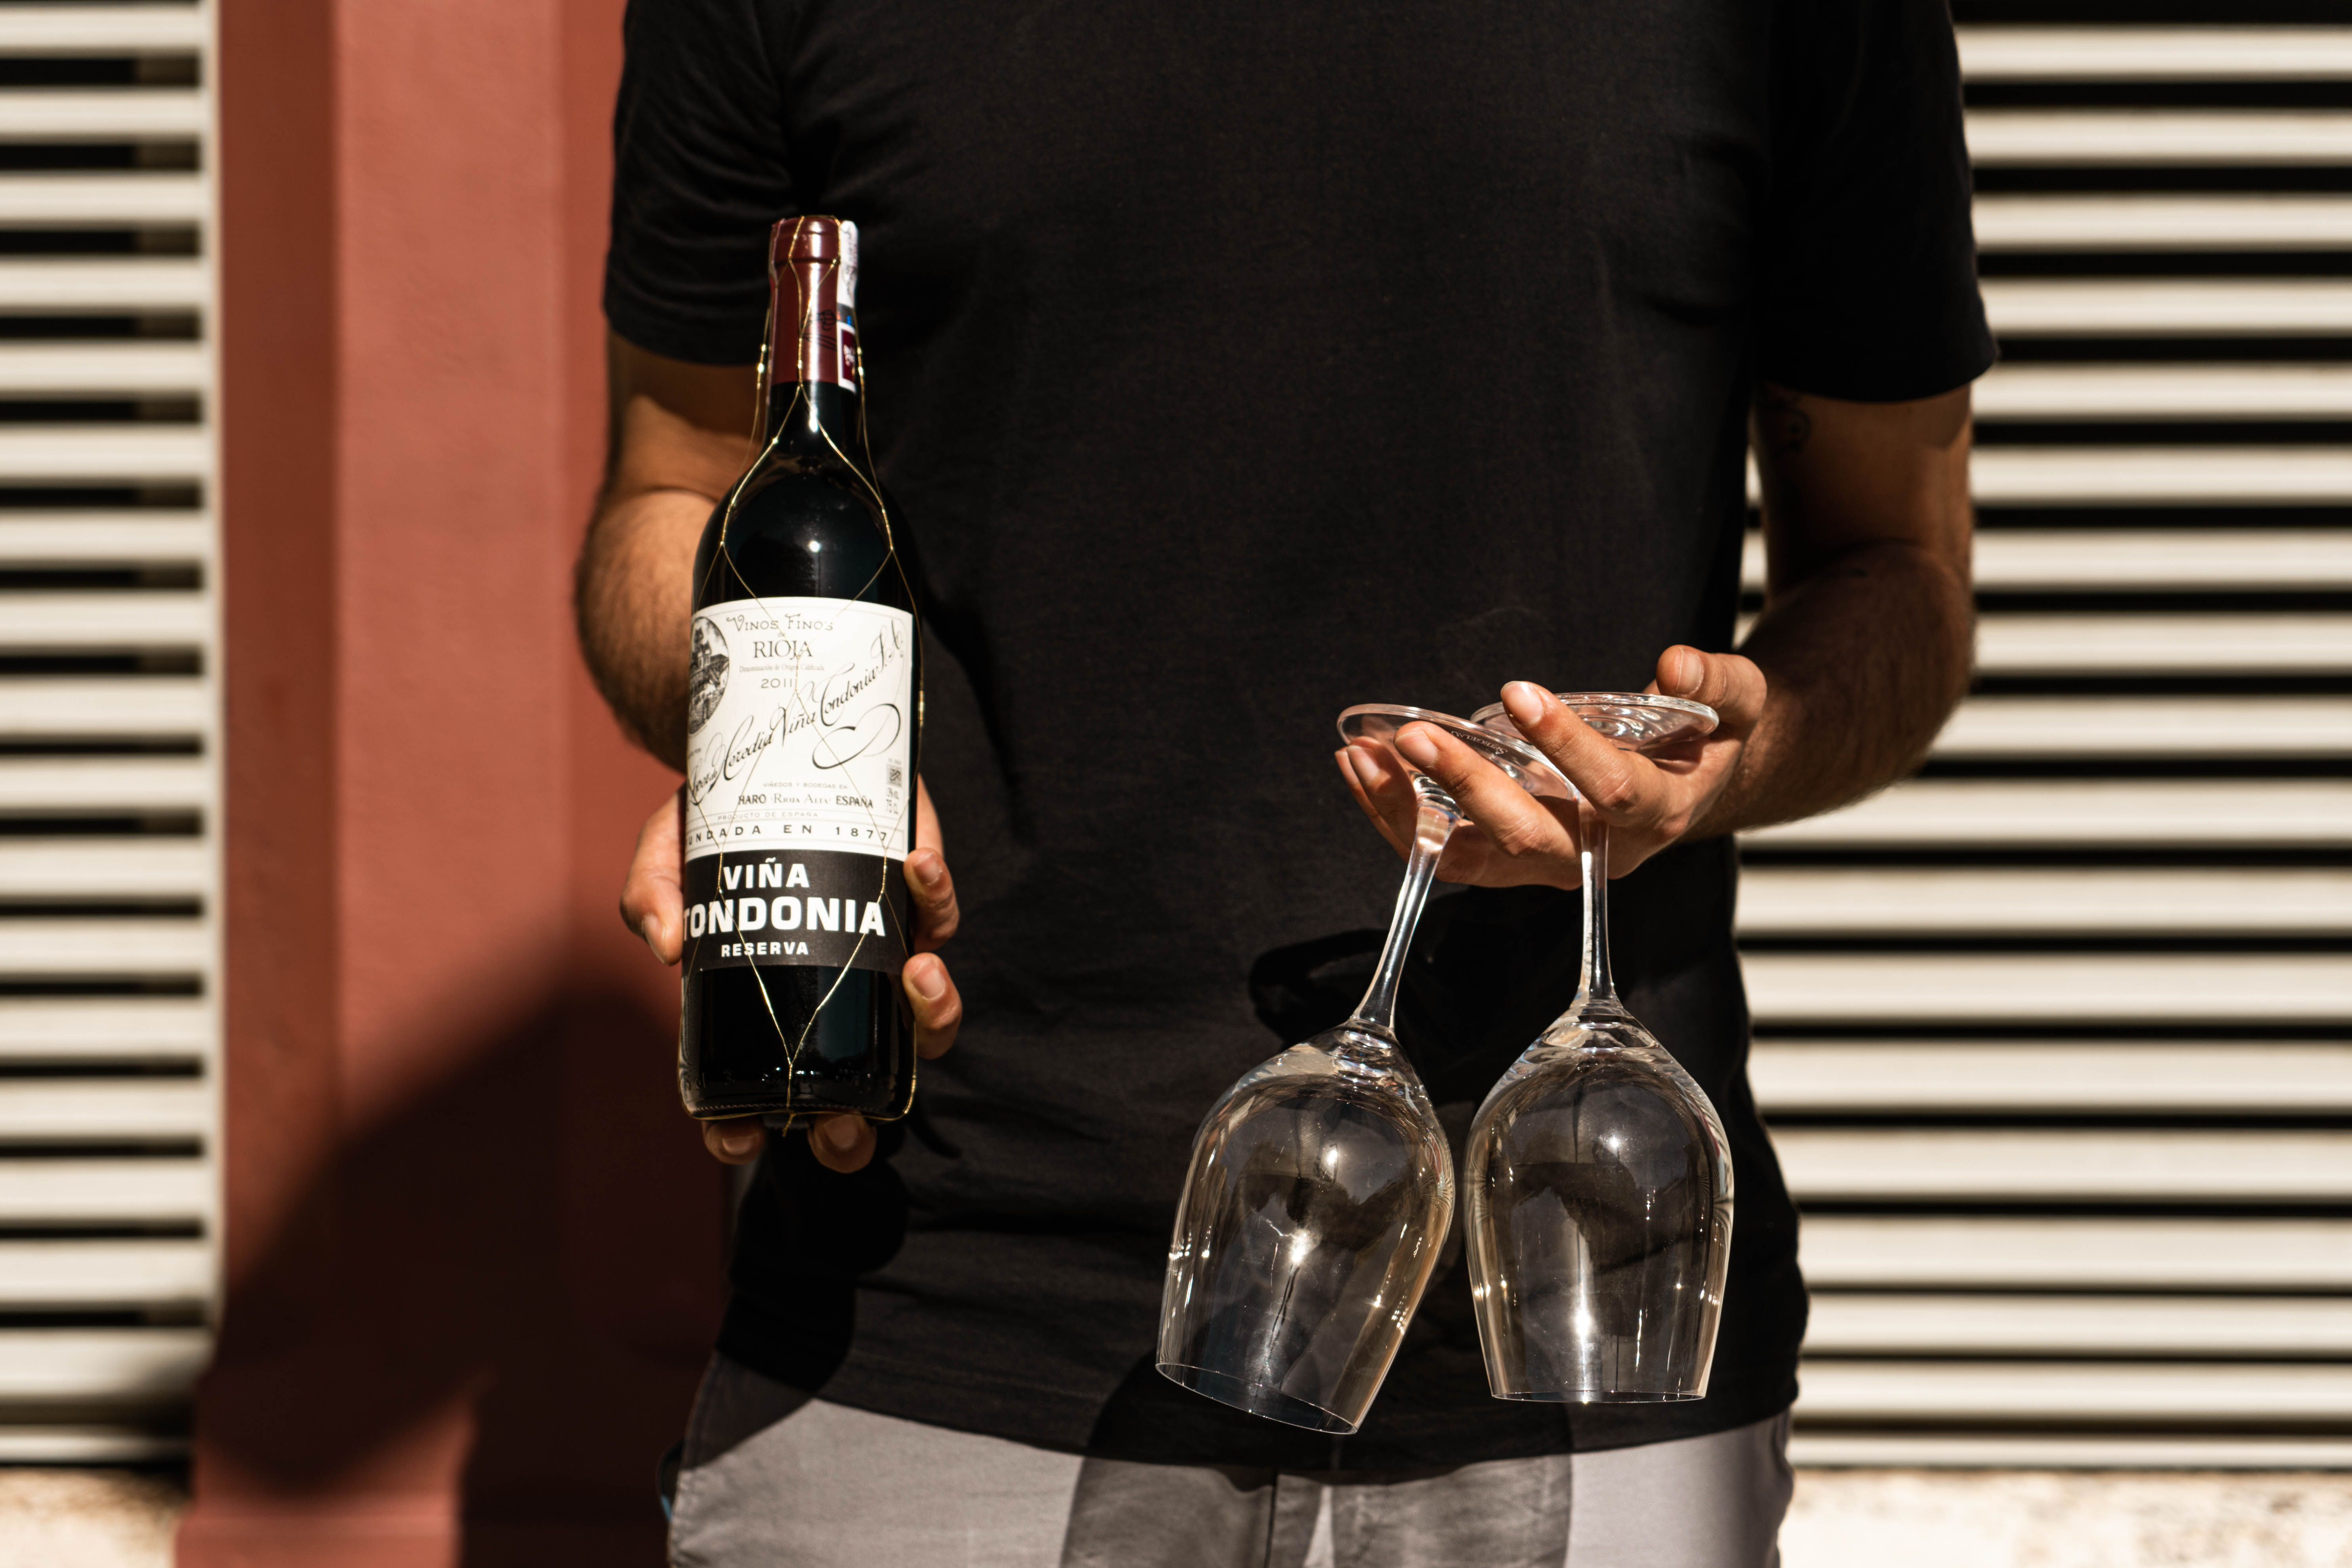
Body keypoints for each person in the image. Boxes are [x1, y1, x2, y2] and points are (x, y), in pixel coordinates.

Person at [578, 0, 1989, 1559]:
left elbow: (1900, 570)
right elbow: (675, 486)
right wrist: (756, 744)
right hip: (941, 1307)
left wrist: (1729, 764)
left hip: (1571, 1303)